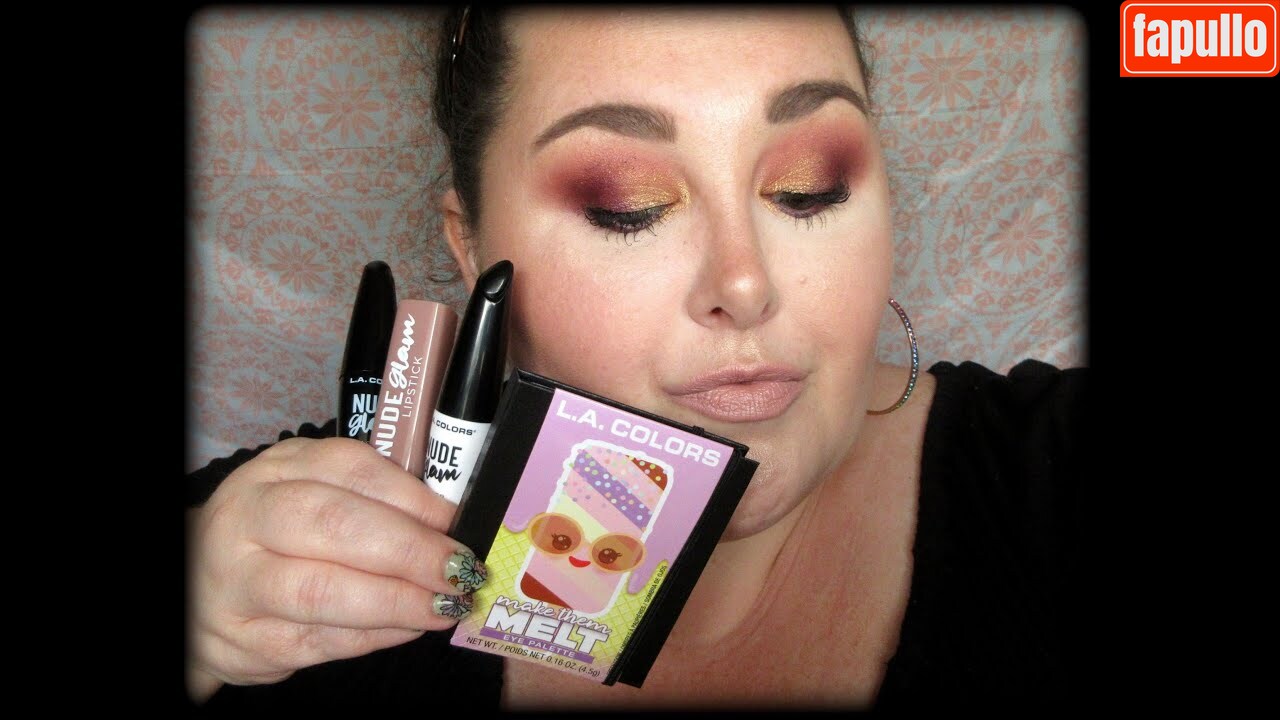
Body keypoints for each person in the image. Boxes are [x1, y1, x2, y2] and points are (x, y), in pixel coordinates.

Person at [186, 5, 1086, 711]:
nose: (745, 284)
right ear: (473, 246)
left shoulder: (1048, 471)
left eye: (808, 189)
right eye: (630, 206)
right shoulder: (300, 533)